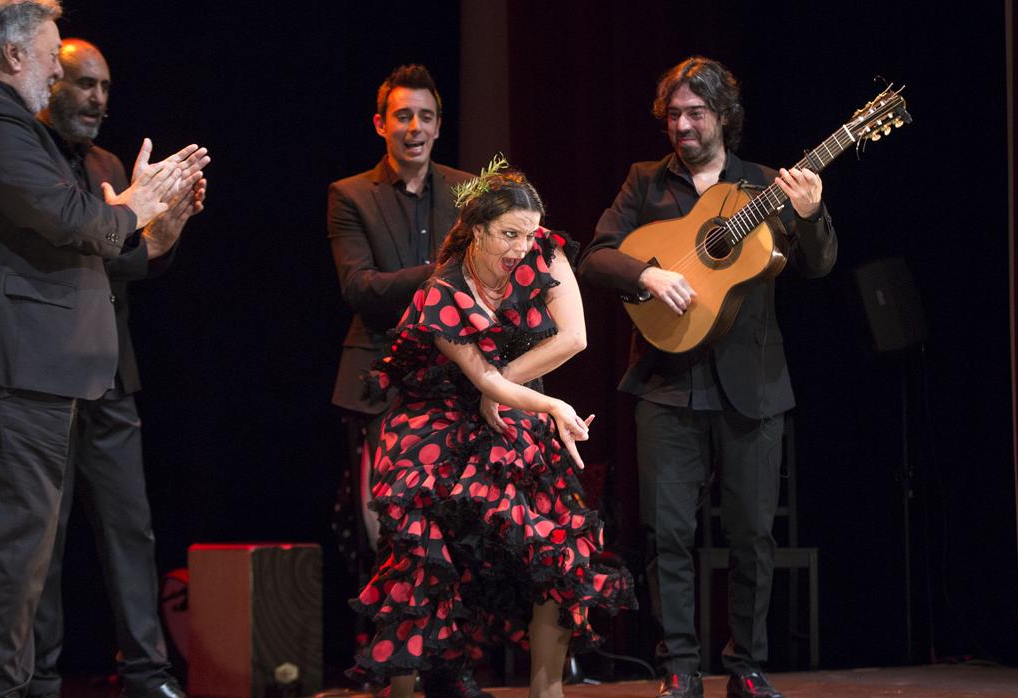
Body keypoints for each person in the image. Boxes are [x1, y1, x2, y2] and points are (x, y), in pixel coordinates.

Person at [0, 2, 202, 696]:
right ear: (15, 54)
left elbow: (81, 247)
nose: (58, 70)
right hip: (10, 361)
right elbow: (72, 219)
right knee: (17, 549)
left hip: (36, 365)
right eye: (52, 54)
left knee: (9, 546)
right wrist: (139, 201)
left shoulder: (10, 124)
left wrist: (153, 227)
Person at [577, 56, 837, 698]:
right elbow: (595, 257)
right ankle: (680, 669)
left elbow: (818, 265)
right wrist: (648, 274)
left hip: (753, 383)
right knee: (668, 533)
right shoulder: (644, 182)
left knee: (752, 533)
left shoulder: (763, 185)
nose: (683, 125)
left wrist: (809, 214)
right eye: (674, 115)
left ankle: (746, 667)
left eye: (696, 113)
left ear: (724, 117)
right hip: (666, 381)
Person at [350, 159, 636, 698]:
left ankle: (546, 693)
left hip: (506, 402)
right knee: (422, 554)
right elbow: (480, 377)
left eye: (530, 232)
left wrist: (511, 396)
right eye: (509, 234)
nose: (522, 246)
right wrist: (548, 408)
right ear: (477, 229)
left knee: (559, 540)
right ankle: (406, 687)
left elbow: (572, 339)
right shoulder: (442, 290)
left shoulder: (541, 249)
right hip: (432, 417)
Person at [27, 38, 208, 698]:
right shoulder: (29, 158)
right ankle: (37, 678)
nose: (98, 99)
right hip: (43, 376)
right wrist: (141, 225)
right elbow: (77, 254)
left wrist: (169, 230)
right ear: (50, 84)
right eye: (84, 84)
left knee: (131, 529)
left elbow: (133, 264)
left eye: (105, 86)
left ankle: (147, 672)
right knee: (41, 538)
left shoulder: (106, 162)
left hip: (111, 375)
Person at [326, 64, 479, 696]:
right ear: (381, 123)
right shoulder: (349, 194)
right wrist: (444, 272)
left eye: (425, 116)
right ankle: (393, 667)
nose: (414, 127)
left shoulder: (471, 191)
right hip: (380, 381)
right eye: (402, 116)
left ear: (440, 125)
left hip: (457, 377)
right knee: (389, 529)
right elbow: (361, 290)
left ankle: (448, 664)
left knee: (457, 522)